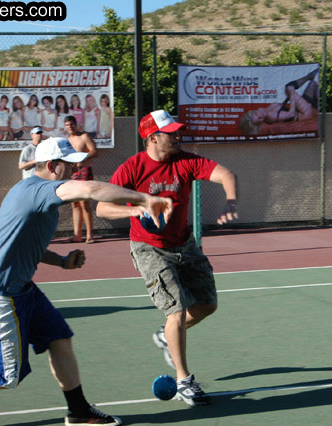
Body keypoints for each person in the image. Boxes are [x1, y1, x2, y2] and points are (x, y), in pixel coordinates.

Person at [0, 137, 172, 426]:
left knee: (59, 339)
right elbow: (92, 189)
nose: (74, 171)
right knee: (6, 377)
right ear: (53, 166)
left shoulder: (31, 192)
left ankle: (79, 410)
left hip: (22, 289)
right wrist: (145, 199)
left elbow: (23, 243)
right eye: (69, 166)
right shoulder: (40, 190)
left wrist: (60, 262)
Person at [96, 110, 238, 406]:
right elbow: (102, 209)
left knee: (207, 304)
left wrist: (230, 200)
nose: (177, 136)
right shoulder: (132, 168)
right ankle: (184, 381)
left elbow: (225, 173)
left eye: (176, 131)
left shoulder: (186, 161)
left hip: (184, 244)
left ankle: (166, 336)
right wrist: (135, 209)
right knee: (176, 310)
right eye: (171, 132)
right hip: (149, 248)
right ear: (152, 137)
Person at [239, 77, 319, 135]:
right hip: (304, 113)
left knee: (313, 84)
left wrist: (289, 98)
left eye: (256, 114)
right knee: (289, 88)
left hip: (301, 109)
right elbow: (291, 114)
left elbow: (282, 107)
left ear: (254, 110)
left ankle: (311, 77)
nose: (261, 115)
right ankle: (310, 76)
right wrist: (292, 96)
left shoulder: (268, 109)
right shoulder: (271, 116)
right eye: (260, 119)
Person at [64, 115, 98, 244]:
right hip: (72, 173)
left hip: (84, 171)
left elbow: (94, 151)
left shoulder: (84, 137)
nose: (70, 127)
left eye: (72, 124)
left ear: (76, 124)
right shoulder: (67, 141)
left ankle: (90, 235)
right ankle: (77, 235)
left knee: (84, 203)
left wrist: (81, 157)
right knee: (75, 204)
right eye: (67, 125)